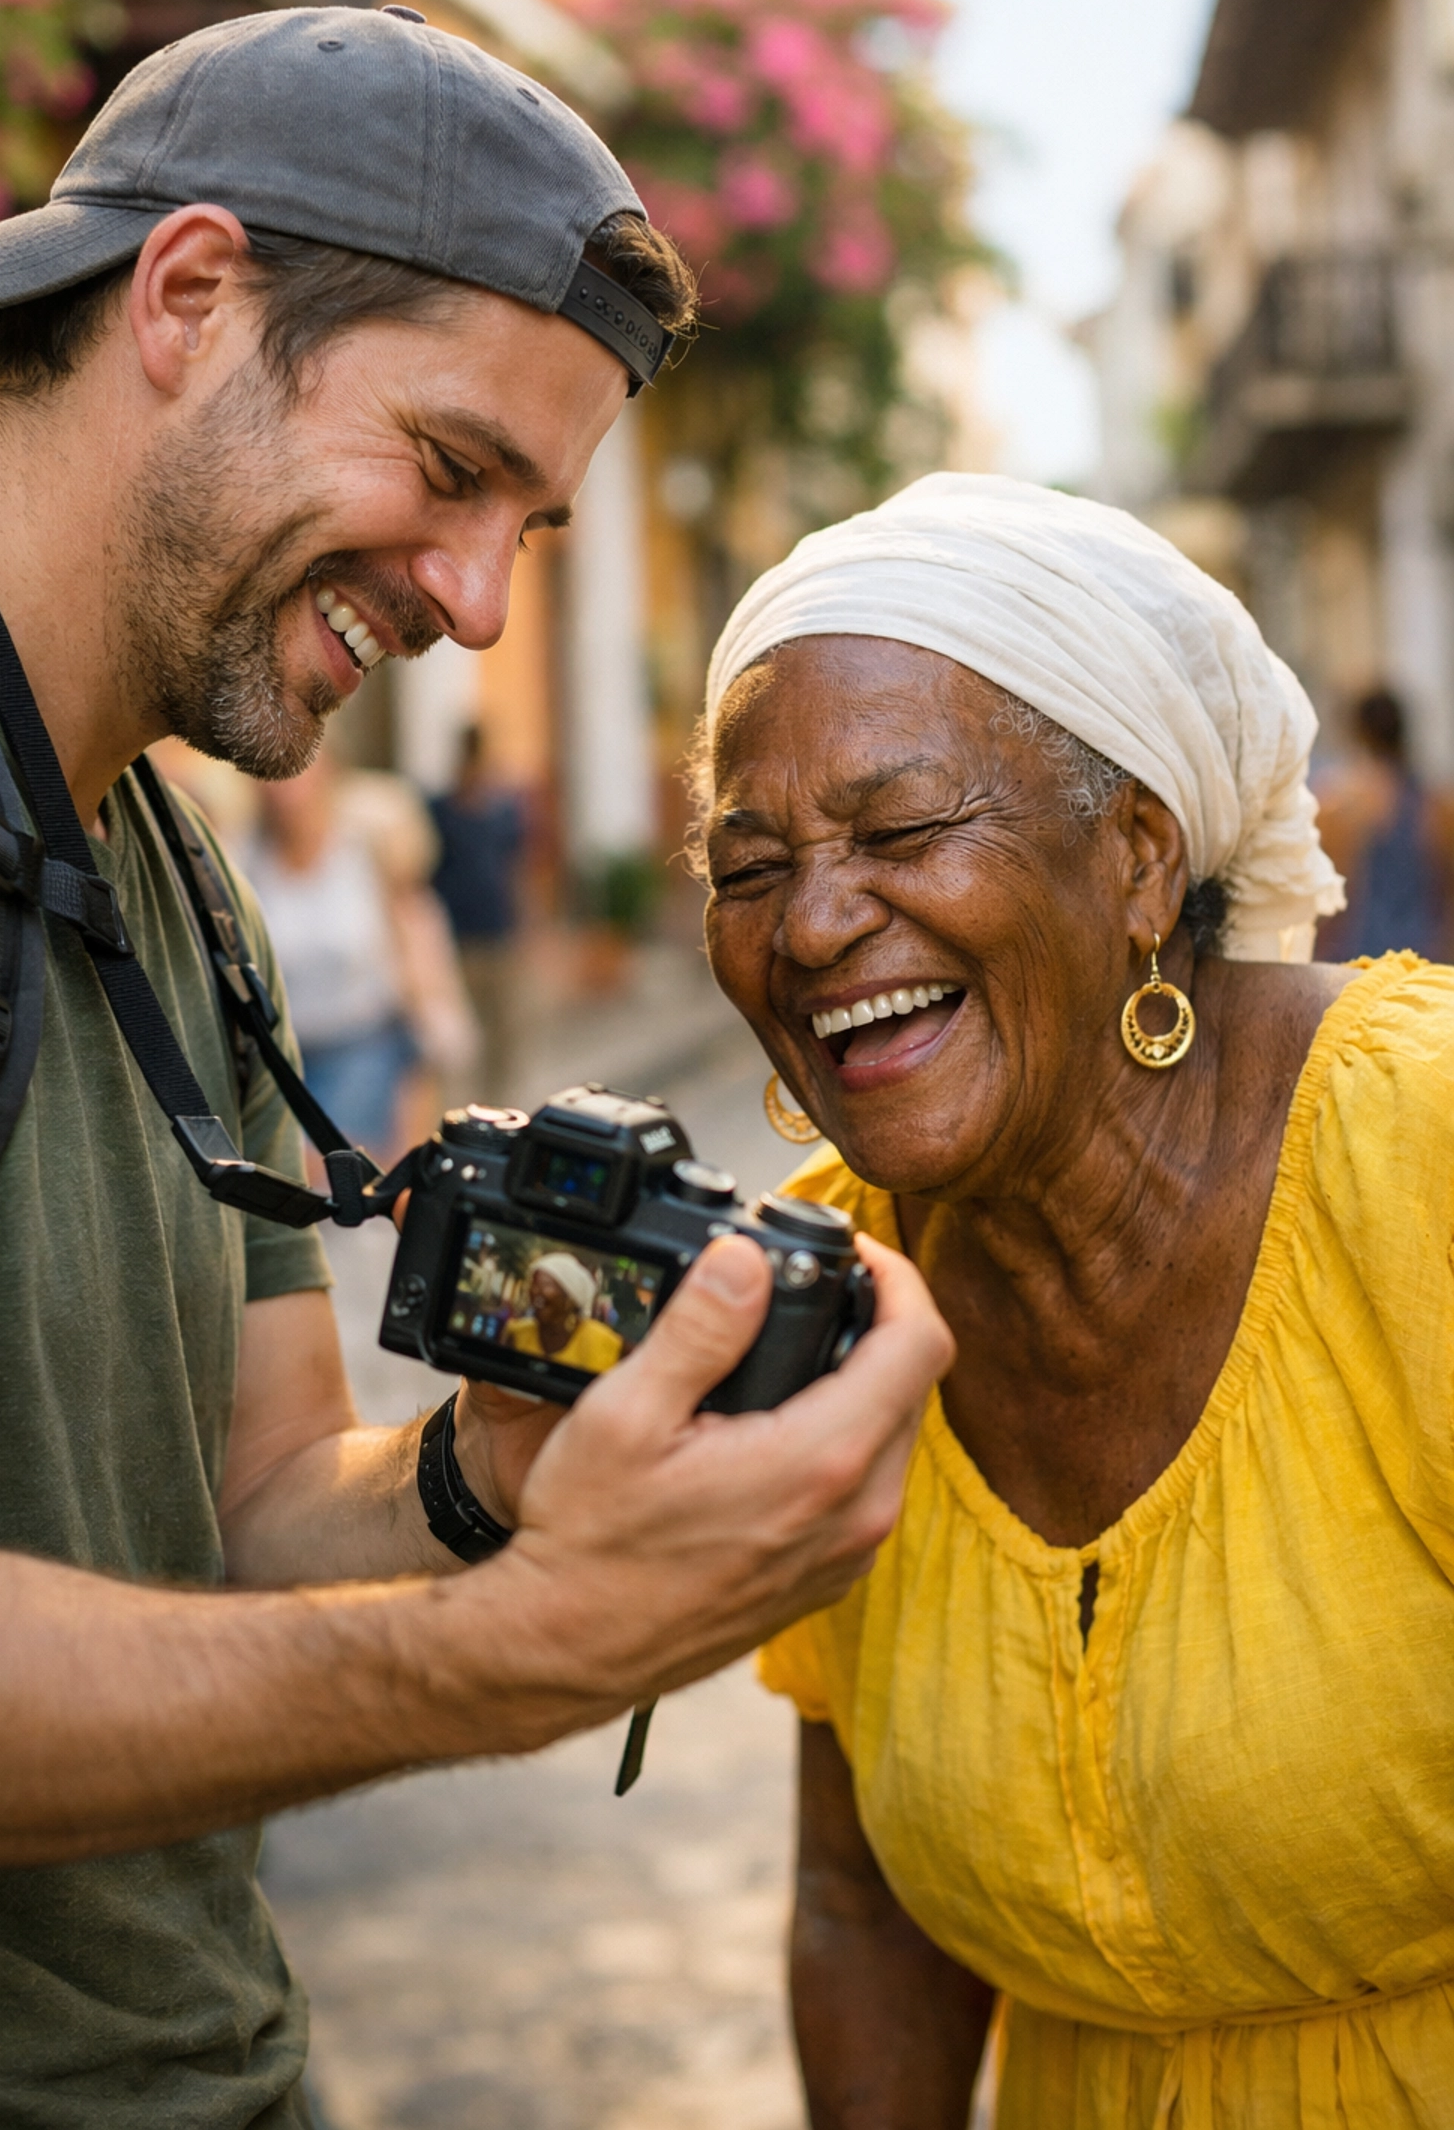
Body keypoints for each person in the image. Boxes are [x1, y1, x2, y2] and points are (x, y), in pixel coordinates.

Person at [0, 7, 950, 2127]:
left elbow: (253, 1509)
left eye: (530, 533)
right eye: (453, 469)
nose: (479, 606)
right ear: (189, 296)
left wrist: (496, 1483)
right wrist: (511, 1656)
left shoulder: (167, 863)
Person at [692, 470, 1454, 2128]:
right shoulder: (830, 1294)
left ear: (1134, 858)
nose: (814, 922)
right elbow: (863, 1899)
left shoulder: (1421, 1152)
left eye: (899, 832)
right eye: (748, 862)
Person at [245, 749, 477, 1162]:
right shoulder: (244, 860)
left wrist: (422, 1078)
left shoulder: (367, 851)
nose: (282, 786)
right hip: (276, 1062)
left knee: (343, 1188)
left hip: (362, 1054)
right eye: (266, 771)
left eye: (294, 767)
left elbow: (417, 949)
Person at [1313, 685, 1454, 959]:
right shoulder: (1435, 806)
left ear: (1357, 731)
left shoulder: (1337, 804)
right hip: (1421, 960)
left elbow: (1326, 905)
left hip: (1355, 963)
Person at [431, 721, 527, 1096]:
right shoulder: (442, 808)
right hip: (458, 939)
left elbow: (515, 869)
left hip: (498, 933)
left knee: (503, 1034)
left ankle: (500, 1107)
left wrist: (525, 927)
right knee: (461, 1036)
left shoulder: (502, 810)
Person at [503, 1254, 625, 1374]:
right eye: (533, 1284)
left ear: (570, 1299)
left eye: (546, 1285)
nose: (536, 1291)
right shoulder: (516, 1332)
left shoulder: (601, 1340)